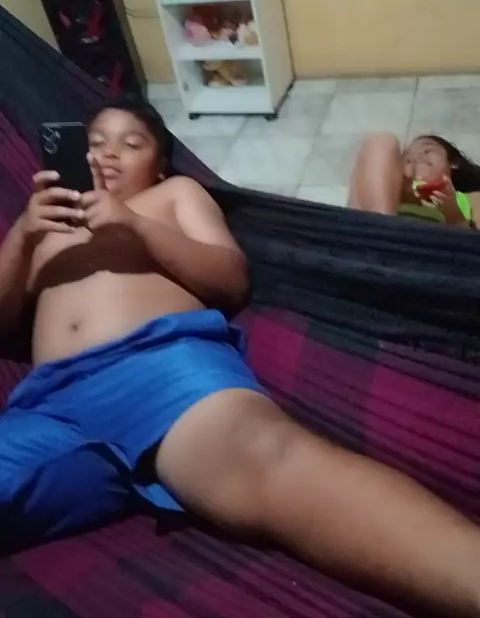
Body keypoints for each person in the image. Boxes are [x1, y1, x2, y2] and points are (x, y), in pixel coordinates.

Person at [0, 98, 479, 617]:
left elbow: (230, 280)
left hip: (161, 370)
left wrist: (134, 226)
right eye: (95, 142)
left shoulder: (173, 195)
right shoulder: (44, 226)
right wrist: (23, 234)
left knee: (271, 460)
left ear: (159, 165)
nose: (109, 153)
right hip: (50, 405)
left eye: (131, 143)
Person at [349, 132, 480, 226]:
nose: (415, 156)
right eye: (407, 157)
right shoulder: (388, 194)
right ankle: (383, 230)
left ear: (453, 163)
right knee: (382, 142)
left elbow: (471, 246)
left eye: (427, 150)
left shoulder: (471, 199)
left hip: (432, 251)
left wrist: (452, 212)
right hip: (371, 234)